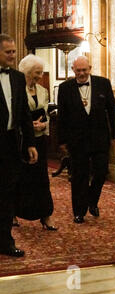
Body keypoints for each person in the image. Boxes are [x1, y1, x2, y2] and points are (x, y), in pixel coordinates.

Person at [57, 56, 115, 224]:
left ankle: (92, 200)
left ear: (90, 68)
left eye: (84, 70)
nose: (82, 73)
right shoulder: (64, 88)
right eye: (78, 70)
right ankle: (79, 211)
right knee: (79, 176)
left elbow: (112, 111)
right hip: (76, 140)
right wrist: (62, 140)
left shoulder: (103, 83)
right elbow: (62, 116)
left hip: (100, 138)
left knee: (101, 172)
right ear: (73, 70)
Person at [0, 34, 38, 257]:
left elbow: (24, 113)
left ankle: (5, 242)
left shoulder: (17, 77)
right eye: (8, 52)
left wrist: (30, 143)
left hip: (10, 144)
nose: (13, 55)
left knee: (7, 195)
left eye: (14, 51)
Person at [14, 54, 56, 230]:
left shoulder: (43, 91)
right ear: (27, 72)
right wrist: (27, 125)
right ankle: (13, 213)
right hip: (21, 141)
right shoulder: (16, 90)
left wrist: (43, 124)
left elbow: (46, 114)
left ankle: (45, 215)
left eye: (41, 72)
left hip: (40, 141)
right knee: (20, 178)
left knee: (41, 179)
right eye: (37, 73)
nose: (40, 76)